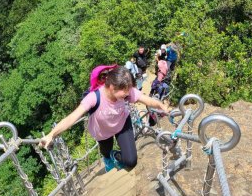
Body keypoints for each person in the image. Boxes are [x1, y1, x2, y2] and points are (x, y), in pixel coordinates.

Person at [39, 66, 169, 171]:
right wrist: (51, 134)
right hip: (103, 131)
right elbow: (72, 117)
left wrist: (161, 106)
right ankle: (108, 157)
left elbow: (146, 99)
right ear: (112, 87)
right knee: (106, 151)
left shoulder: (127, 91)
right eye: (125, 91)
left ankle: (115, 156)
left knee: (131, 162)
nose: (128, 94)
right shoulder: (94, 98)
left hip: (122, 123)